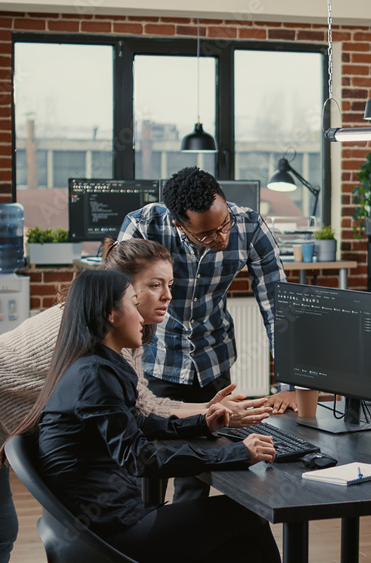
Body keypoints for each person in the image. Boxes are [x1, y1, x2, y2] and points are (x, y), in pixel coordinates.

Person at [0, 239, 270, 562]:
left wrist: (208, 413)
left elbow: (137, 405)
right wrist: (228, 441)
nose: (167, 296)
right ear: (116, 299)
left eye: (170, 285)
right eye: (153, 285)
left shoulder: (107, 343)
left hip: (91, 507)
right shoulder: (85, 346)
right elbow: (137, 430)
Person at [0, 269, 280, 563]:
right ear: (111, 314)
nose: (142, 317)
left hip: (105, 525)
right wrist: (236, 453)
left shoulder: (91, 364)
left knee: (233, 536)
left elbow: (135, 423)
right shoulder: (94, 375)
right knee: (248, 515)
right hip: (113, 537)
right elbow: (138, 457)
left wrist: (201, 422)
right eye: (134, 304)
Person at [118, 166, 297, 501]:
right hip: (155, 361)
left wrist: (287, 386)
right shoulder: (144, 226)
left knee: (198, 470)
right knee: (145, 466)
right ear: (178, 224)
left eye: (224, 223)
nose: (222, 238)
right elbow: (117, 304)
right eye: (207, 234)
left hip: (212, 362)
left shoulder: (248, 224)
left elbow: (278, 309)